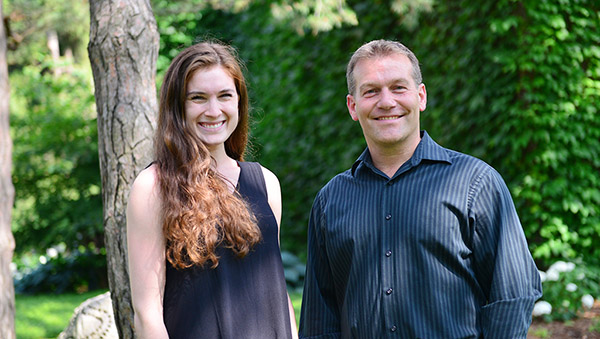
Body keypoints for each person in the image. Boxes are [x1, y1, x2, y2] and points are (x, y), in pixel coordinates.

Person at [299, 39, 542, 338]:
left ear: (421, 96)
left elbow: (513, 293)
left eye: (398, 87)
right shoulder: (330, 201)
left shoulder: (475, 183)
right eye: (371, 91)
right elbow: (318, 320)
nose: (386, 102)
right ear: (353, 106)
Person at [126, 41, 297, 339]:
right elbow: (147, 315)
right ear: (177, 106)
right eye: (198, 98)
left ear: (239, 103)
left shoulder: (266, 183)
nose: (213, 110)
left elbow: (277, 294)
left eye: (224, 96)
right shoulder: (153, 187)